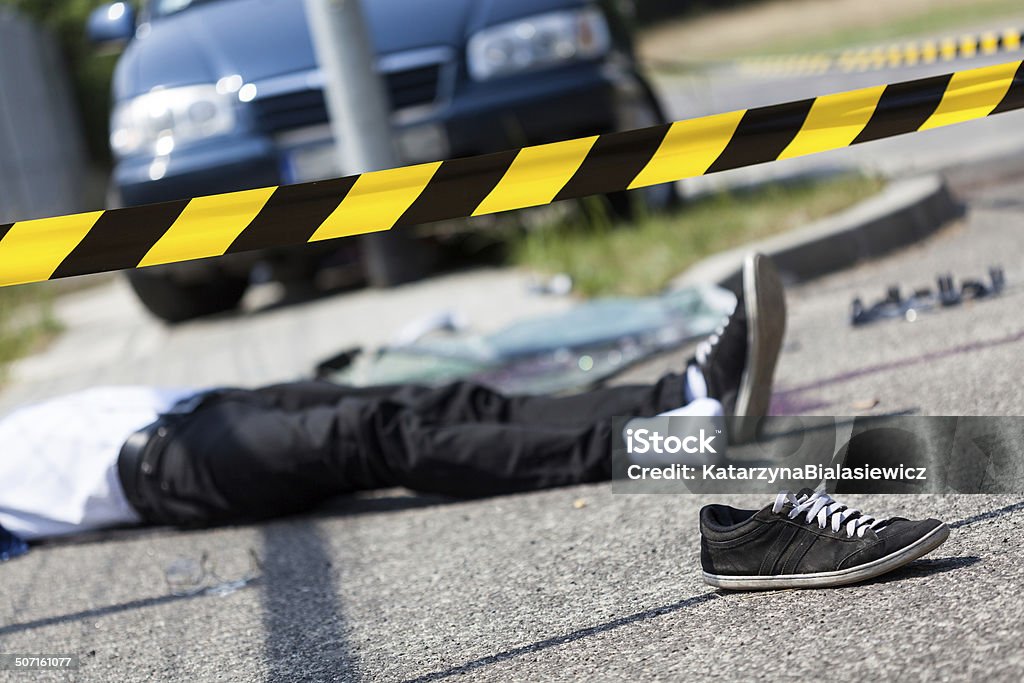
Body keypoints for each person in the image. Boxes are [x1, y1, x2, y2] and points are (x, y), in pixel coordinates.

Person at [0, 254, 786, 551]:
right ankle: (660, 442)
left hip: (190, 406)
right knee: (372, 435)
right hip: (161, 467)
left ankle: (678, 393)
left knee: (430, 398)